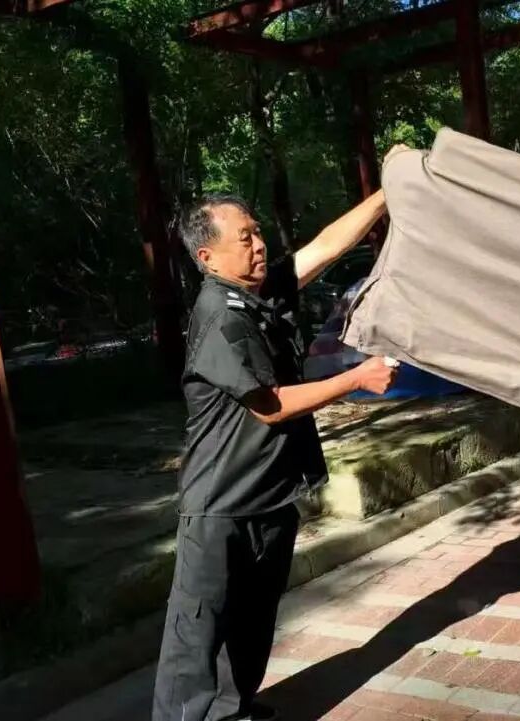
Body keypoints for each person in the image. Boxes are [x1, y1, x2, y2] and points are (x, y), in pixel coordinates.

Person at [152, 151, 406, 721]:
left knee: (251, 623)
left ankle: (236, 709)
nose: (258, 245)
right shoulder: (221, 315)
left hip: (268, 495)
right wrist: (356, 378)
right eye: (243, 238)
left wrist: (388, 190)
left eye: (258, 232)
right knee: (196, 644)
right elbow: (269, 406)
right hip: (221, 505)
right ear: (207, 256)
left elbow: (326, 247)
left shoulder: (260, 294)